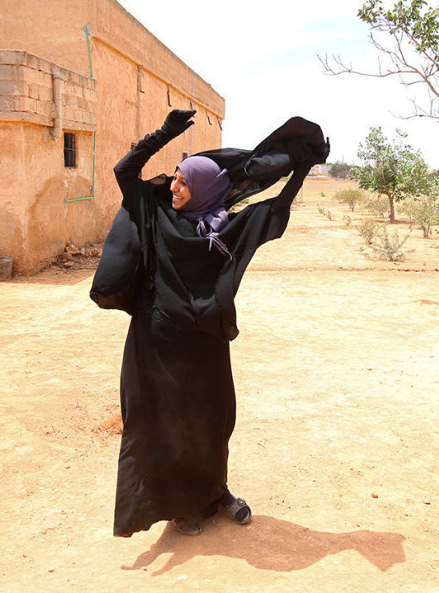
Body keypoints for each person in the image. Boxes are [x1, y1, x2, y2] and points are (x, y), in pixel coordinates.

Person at [98, 109, 328, 537]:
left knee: (210, 418)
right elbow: (124, 171)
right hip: (156, 341)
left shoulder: (227, 229)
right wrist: (163, 133)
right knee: (165, 421)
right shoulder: (154, 212)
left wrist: (301, 169)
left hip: (204, 343)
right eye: (176, 177)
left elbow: (276, 209)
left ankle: (215, 492)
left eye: (186, 181)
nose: (175, 186)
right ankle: (181, 506)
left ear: (206, 187)